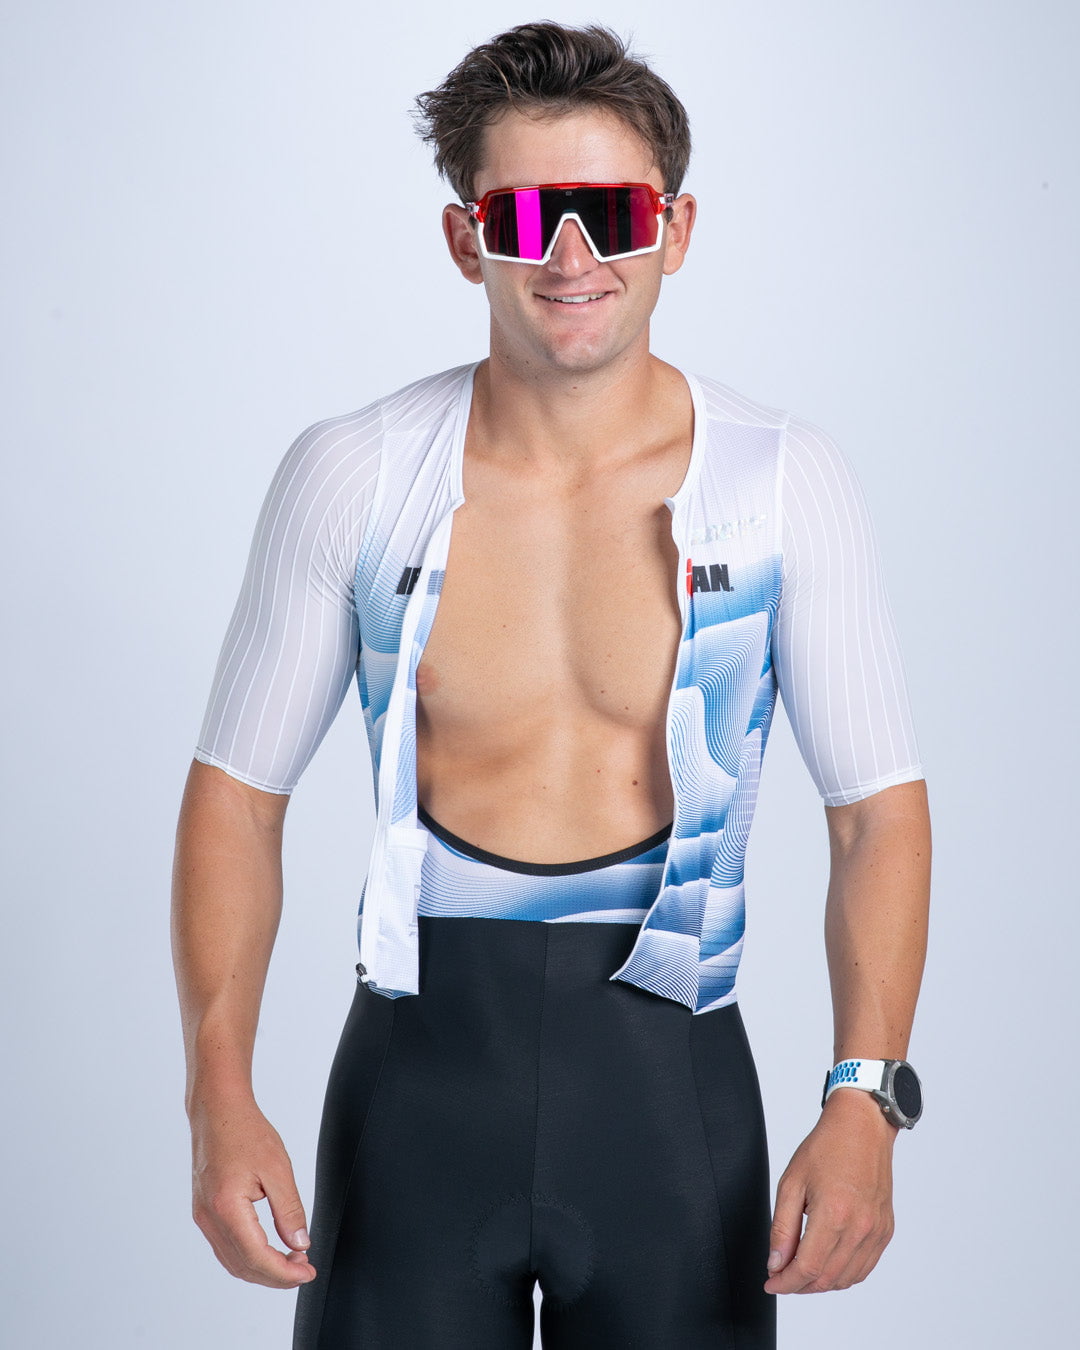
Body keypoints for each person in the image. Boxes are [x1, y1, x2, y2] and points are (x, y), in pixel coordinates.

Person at [171, 21, 930, 1350]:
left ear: (674, 230)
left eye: (612, 214)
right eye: (527, 218)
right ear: (466, 240)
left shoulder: (782, 482)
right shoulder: (355, 474)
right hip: (416, 1099)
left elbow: (876, 812)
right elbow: (236, 794)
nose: (573, 258)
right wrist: (216, 1094)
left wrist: (864, 1096)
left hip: (669, 1105)